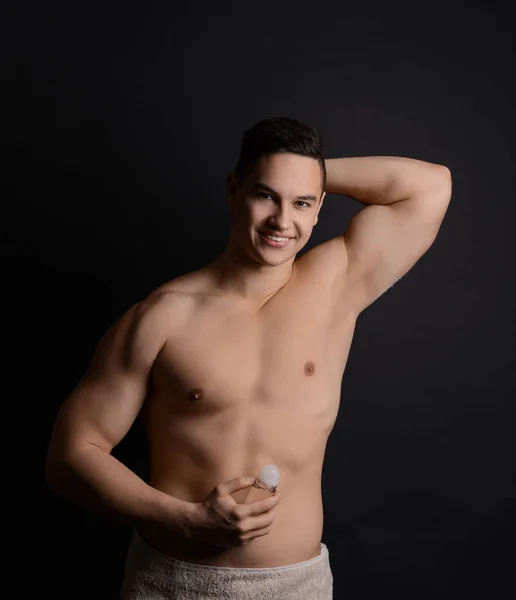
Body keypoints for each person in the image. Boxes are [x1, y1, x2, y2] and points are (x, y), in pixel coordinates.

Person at [45, 116, 452, 599]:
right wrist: (188, 519)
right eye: (266, 195)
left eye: (302, 202)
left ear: (321, 205)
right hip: (174, 581)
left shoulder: (338, 283)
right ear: (234, 188)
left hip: (296, 586)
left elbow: (430, 186)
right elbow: (69, 457)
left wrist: (305, 173)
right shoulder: (161, 316)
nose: (283, 221)